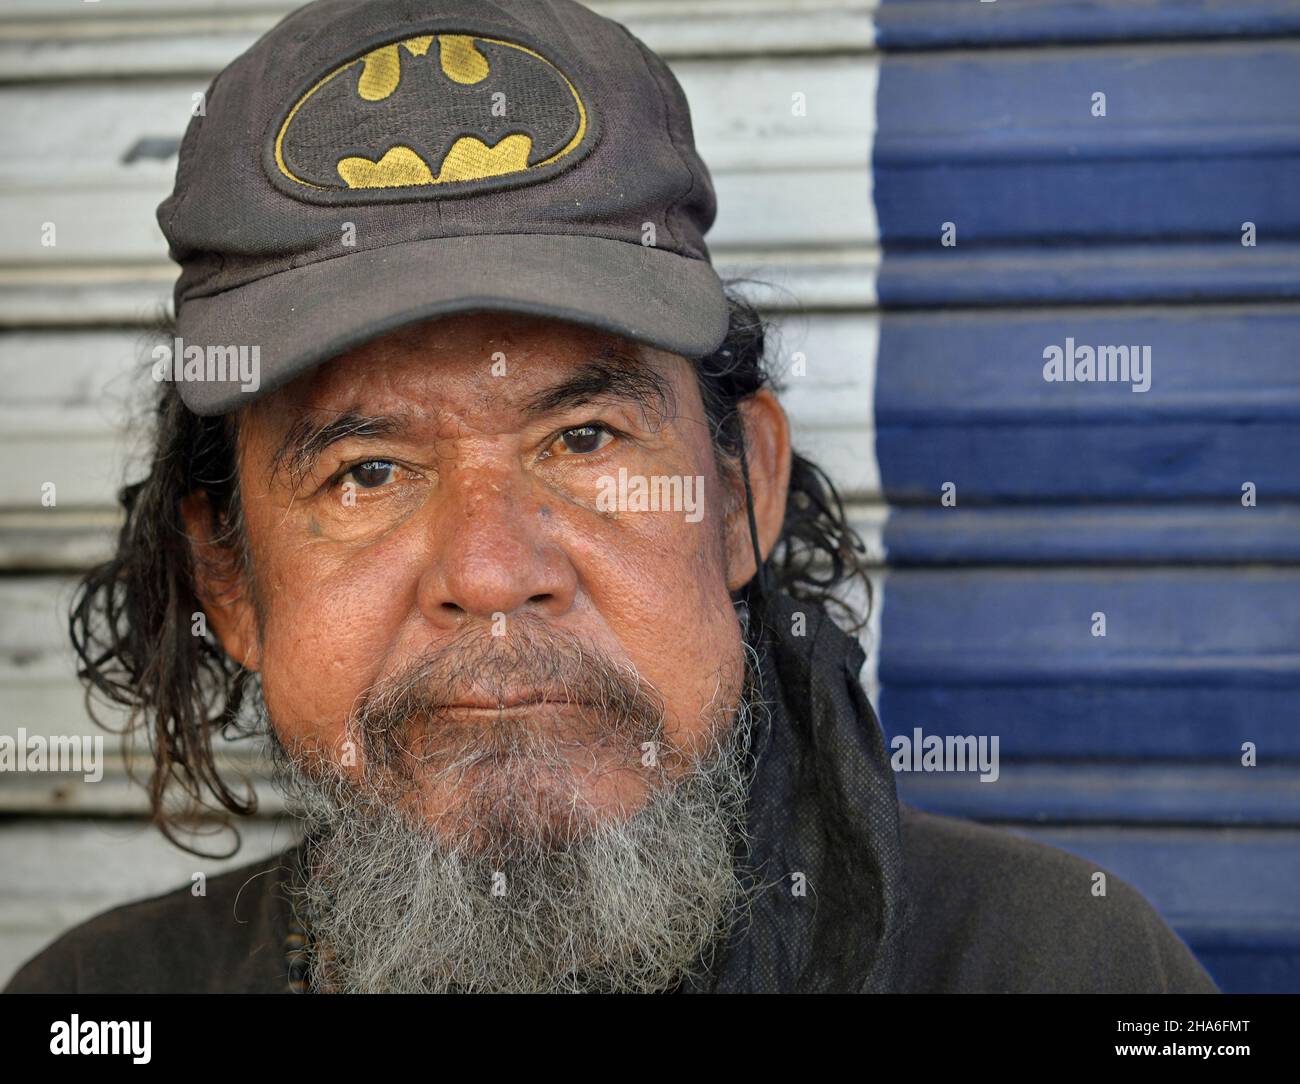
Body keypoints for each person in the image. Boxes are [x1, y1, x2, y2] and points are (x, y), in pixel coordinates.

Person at [5, 0, 1216, 994]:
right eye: (367, 471)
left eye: (583, 439)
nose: (490, 570)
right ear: (231, 581)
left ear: (741, 491)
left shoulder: (1061, 965)